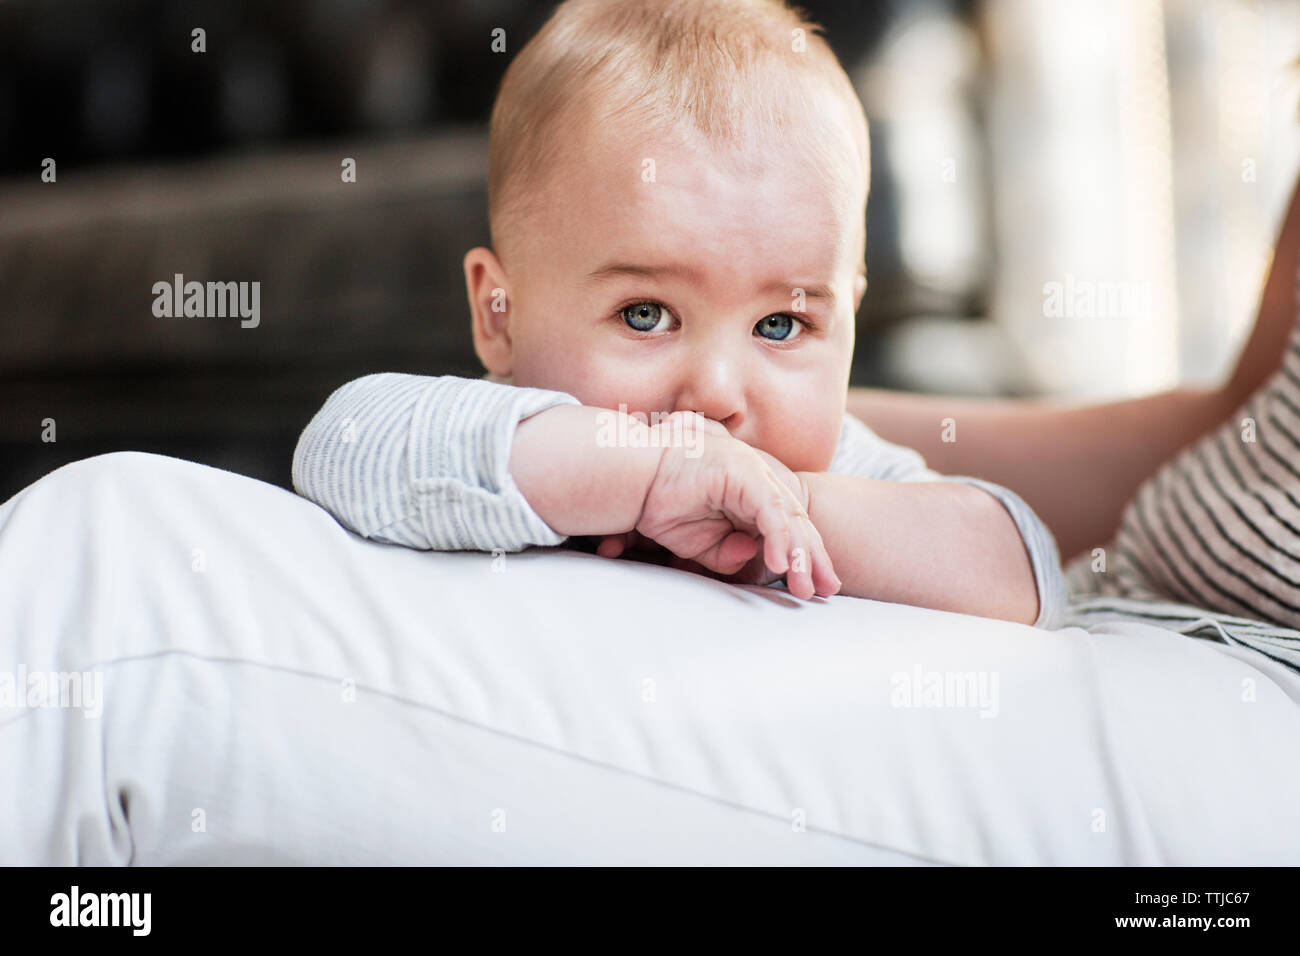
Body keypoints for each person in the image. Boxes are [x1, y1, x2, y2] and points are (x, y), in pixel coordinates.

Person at [291, 0, 1067, 628]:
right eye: (646, 315)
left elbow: (1021, 570)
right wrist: (648, 475)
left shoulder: (822, 473)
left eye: (780, 326)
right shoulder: (500, 437)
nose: (717, 395)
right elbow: (339, 445)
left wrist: (790, 512)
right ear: (499, 316)